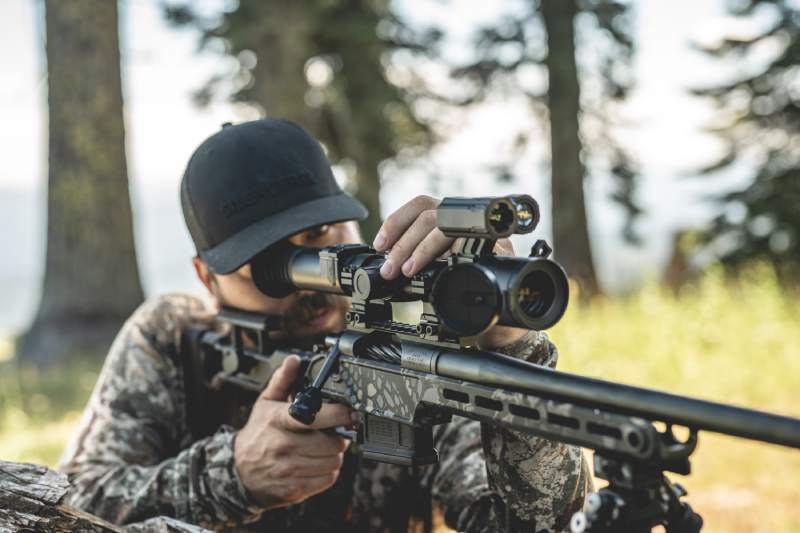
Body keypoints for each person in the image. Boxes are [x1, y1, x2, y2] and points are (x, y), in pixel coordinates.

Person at [58, 118, 592, 532]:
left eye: (322, 236)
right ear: (207, 278)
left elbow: (543, 524)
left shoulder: (421, 342)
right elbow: (72, 504)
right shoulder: (170, 335)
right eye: (269, 267)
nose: (308, 286)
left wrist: (508, 345)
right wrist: (231, 474)